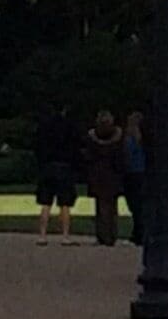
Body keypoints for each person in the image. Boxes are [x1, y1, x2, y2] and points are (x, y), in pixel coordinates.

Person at [34, 105, 80, 244]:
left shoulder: (44, 127)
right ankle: (65, 236)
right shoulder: (69, 127)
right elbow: (76, 147)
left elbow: (38, 147)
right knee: (65, 204)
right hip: (65, 167)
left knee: (46, 203)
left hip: (48, 167)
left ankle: (42, 235)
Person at [85, 110, 123, 246]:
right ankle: (111, 235)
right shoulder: (117, 138)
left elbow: (88, 157)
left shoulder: (92, 138)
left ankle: (101, 235)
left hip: (97, 175)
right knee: (112, 207)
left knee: (100, 207)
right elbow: (120, 159)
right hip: (112, 175)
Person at [120, 111, 147, 246]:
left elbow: (127, 157)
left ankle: (138, 233)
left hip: (132, 174)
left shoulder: (129, 140)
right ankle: (140, 233)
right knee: (140, 206)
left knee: (135, 206)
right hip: (142, 173)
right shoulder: (144, 140)